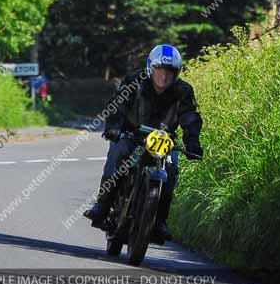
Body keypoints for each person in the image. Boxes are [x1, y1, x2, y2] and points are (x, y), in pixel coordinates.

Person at [84, 44, 203, 242]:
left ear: (177, 73)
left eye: (170, 72)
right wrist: (114, 127)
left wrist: (193, 143)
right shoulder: (134, 81)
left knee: (171, 171)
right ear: (150, 68)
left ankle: (159, 221)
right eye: (160, 71)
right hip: (130, 135)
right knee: (116, 158)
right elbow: (117, 104)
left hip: (163, 141)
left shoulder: (184, 90)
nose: (164, 77)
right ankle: (102, 207)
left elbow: (190, 117)